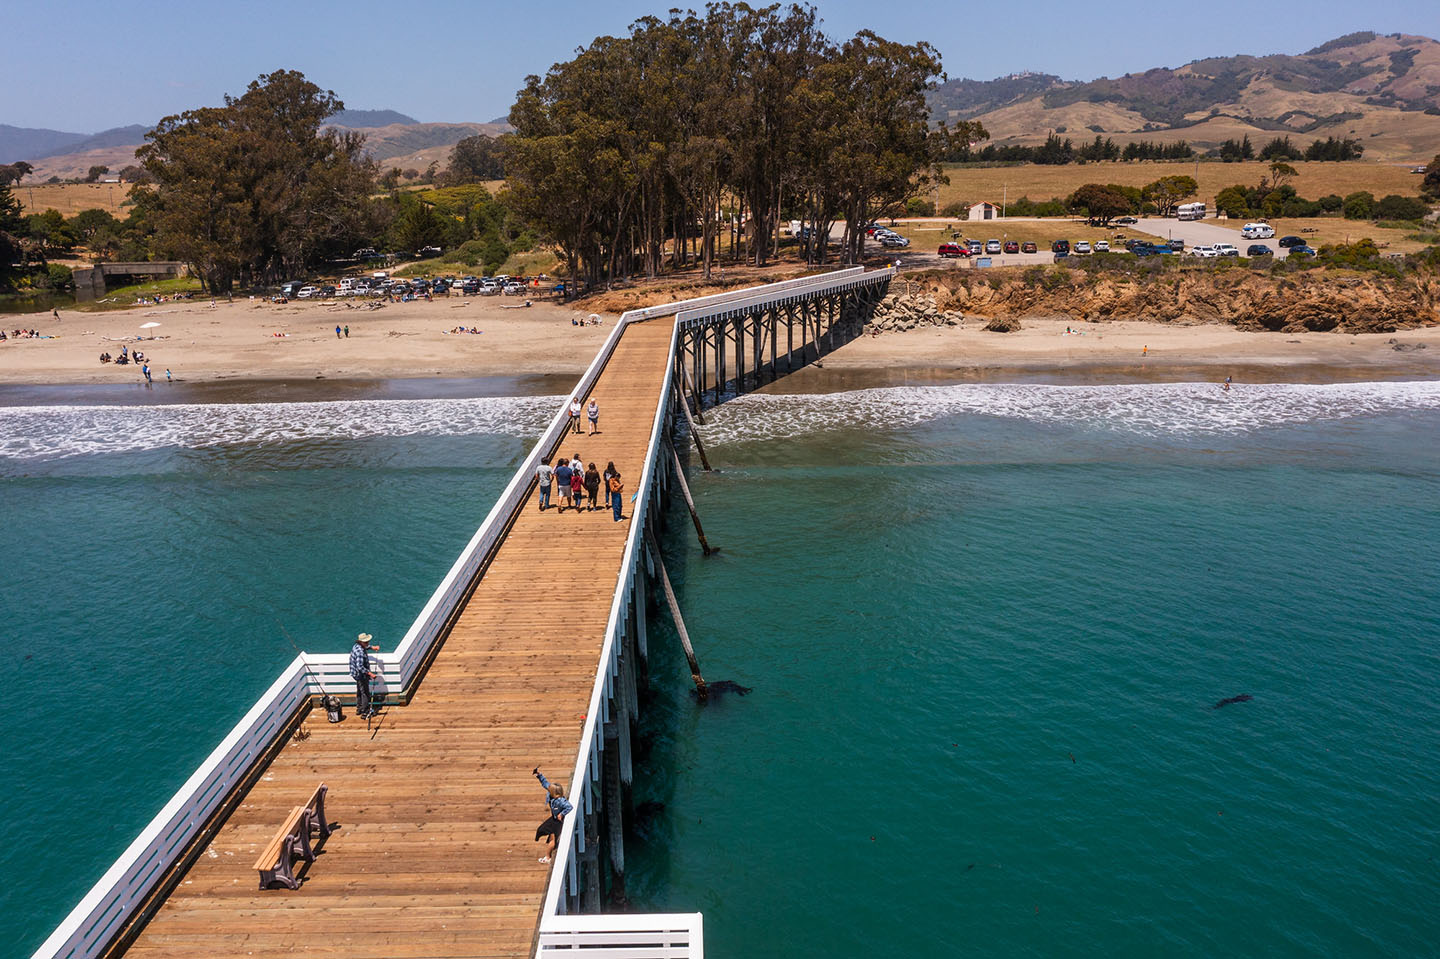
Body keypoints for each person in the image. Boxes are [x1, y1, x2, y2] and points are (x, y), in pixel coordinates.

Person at [533, 767, 574, 863]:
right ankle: (548, 854)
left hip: (557, 822)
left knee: (553, 840)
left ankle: (547, 857)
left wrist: (561, 814)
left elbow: (569, 807)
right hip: (553, 819)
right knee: (541, 829)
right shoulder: (551, 793)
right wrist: (539, 774)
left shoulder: (560, 800)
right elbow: (545, 783)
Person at [349, 632, 380, 719]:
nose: (368, 643)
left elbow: (365, 647)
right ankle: (365, 711)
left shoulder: (356, 646)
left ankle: (359, 708)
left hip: (355, 673)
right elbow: (360, 667)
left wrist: (372, 647)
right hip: (360, 674)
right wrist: (370, 674)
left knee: (359, 690)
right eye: (366, 642)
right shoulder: (360, 652)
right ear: (361, 642)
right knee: (365, 693)